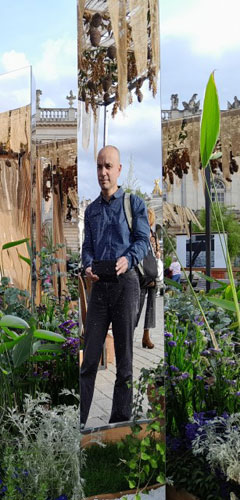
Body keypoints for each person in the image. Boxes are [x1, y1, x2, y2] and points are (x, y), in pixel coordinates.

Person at [80, 145, 150, 428]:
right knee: (89, 360)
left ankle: (119, 424)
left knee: (124, 361)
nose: (103, 172)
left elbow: (143, 241)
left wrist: (127, 259)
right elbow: (86, 248)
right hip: (99, 289)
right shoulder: (92, 210)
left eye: (108, 166)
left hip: (126, 285)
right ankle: (79, 421)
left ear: (118, 169)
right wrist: (87, 265)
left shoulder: (134, 204)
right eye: (99, 166)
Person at [135, 208, 160, 349]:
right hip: (142, 275)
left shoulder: (153, 234)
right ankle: (130, 333)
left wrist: (157, 253)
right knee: (137, 305)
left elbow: (156, 250)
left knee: (151, 306)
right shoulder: (139, 234)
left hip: (153, 274)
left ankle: (146, 336)